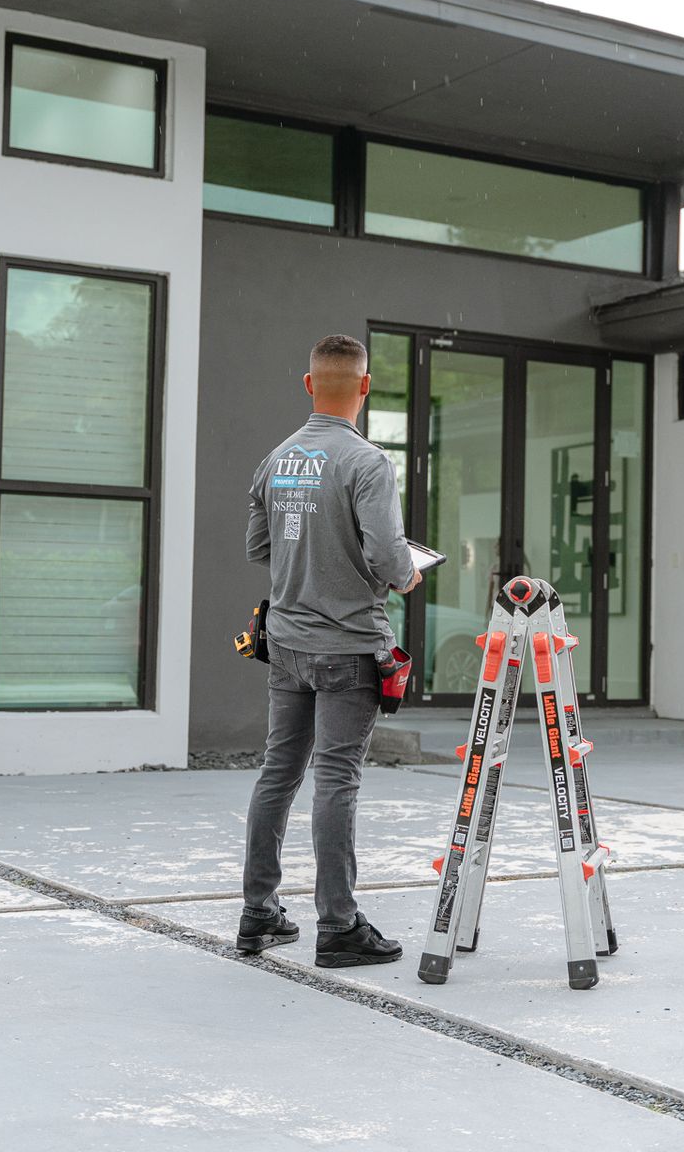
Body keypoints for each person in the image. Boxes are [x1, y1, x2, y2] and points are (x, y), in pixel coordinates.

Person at [238, 333, 423, 967]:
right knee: (336, 781)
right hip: (348, 648)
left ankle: (258, 913)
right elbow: (386, 556)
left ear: (309, 384)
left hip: (286, 643)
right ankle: (338, 926)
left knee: (277, 774)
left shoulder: (276, 459)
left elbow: (260, 549)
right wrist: (406, 573)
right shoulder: (367, 463)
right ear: (365, 388)